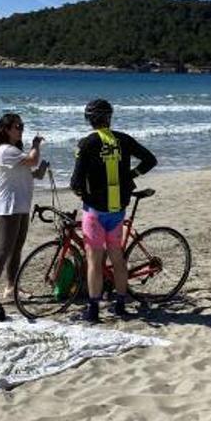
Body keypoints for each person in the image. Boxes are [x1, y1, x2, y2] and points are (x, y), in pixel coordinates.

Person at [69, 99, 157, 322]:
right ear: (109, 117)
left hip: (95, 211)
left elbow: (76, 182)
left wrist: (81, 193)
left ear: (89, 119)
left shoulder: (86, 143)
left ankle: (93, 310)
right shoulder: (124, 139)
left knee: (94, 261)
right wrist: (131, 175)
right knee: (117, 258)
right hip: (117, 209)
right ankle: (120, 305)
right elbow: (150, 160)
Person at [0, 113, 47, 306]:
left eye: (22, 126)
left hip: (20, 204)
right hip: (6, 206)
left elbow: (33, 172)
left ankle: (11, 287)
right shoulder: (4, 150)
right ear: (6, 129)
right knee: (4, 249)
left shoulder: (14, 151)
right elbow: (32, 161)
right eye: (17, 127)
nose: (21, 130)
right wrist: (36, 144)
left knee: (16, 248)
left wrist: (42, 168)